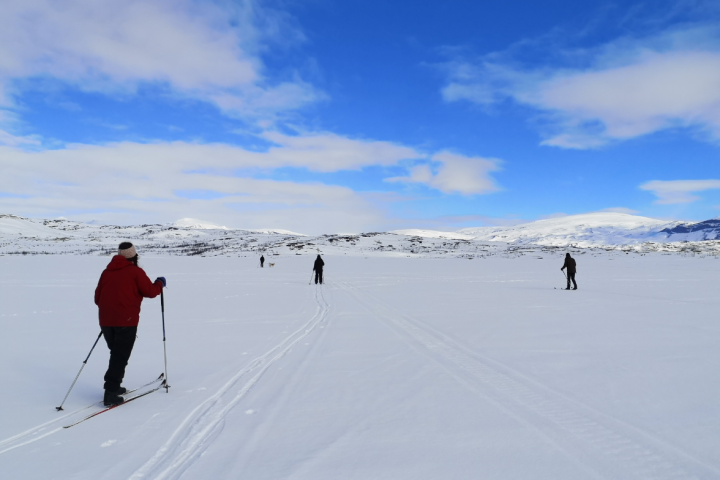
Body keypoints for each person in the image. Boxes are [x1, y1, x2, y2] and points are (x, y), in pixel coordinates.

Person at [94, 242, 166, 406]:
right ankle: (110, 392)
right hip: (126, 321)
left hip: (106, 321)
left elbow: (97, 298)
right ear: (134, 255)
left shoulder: (106, 272)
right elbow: (150, 291)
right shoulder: (135, 272)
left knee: (117, 355)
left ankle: (115, 386)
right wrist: (160, 283)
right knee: (120, 356)